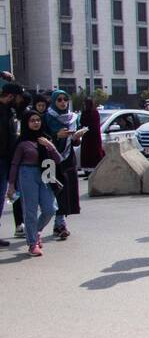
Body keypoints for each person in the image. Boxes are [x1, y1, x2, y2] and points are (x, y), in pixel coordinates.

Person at [7, 109, 60, 256]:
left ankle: (36, 231)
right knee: (30, 211)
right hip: (26, 174)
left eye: (38, 120)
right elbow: (14, 164)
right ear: (26, 123)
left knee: (50, 208)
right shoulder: (22, 143)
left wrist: (50, 145)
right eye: (32, 120)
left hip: (45, 174)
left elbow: (58, 159)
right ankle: (32, 243)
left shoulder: (45, 138)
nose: (36, 123)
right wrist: (11, 185)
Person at [44, 90, 84, 241]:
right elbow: (42, 136)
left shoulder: (73, 117)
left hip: (68, 158)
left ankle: (60, 223)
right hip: (52, 159)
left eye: (65, 99)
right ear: (54, 101)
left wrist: (77, 137)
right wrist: (55, 136)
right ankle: (52, 223)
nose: (62, 102)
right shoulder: (47, 117)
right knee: (55, 190)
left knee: (67, 190)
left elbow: (75, 142)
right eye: (59, 100)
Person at [0, 82, 25, 247]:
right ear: (10, 96)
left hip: (5, 160)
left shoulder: (9, 111)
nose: (19, 101)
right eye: (18, 98)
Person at [78, 96, 104, 171]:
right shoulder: (89, 113)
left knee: (93, 155)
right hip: (89, 138)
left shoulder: (94, 113)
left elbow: (89, 125)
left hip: (92, 138)